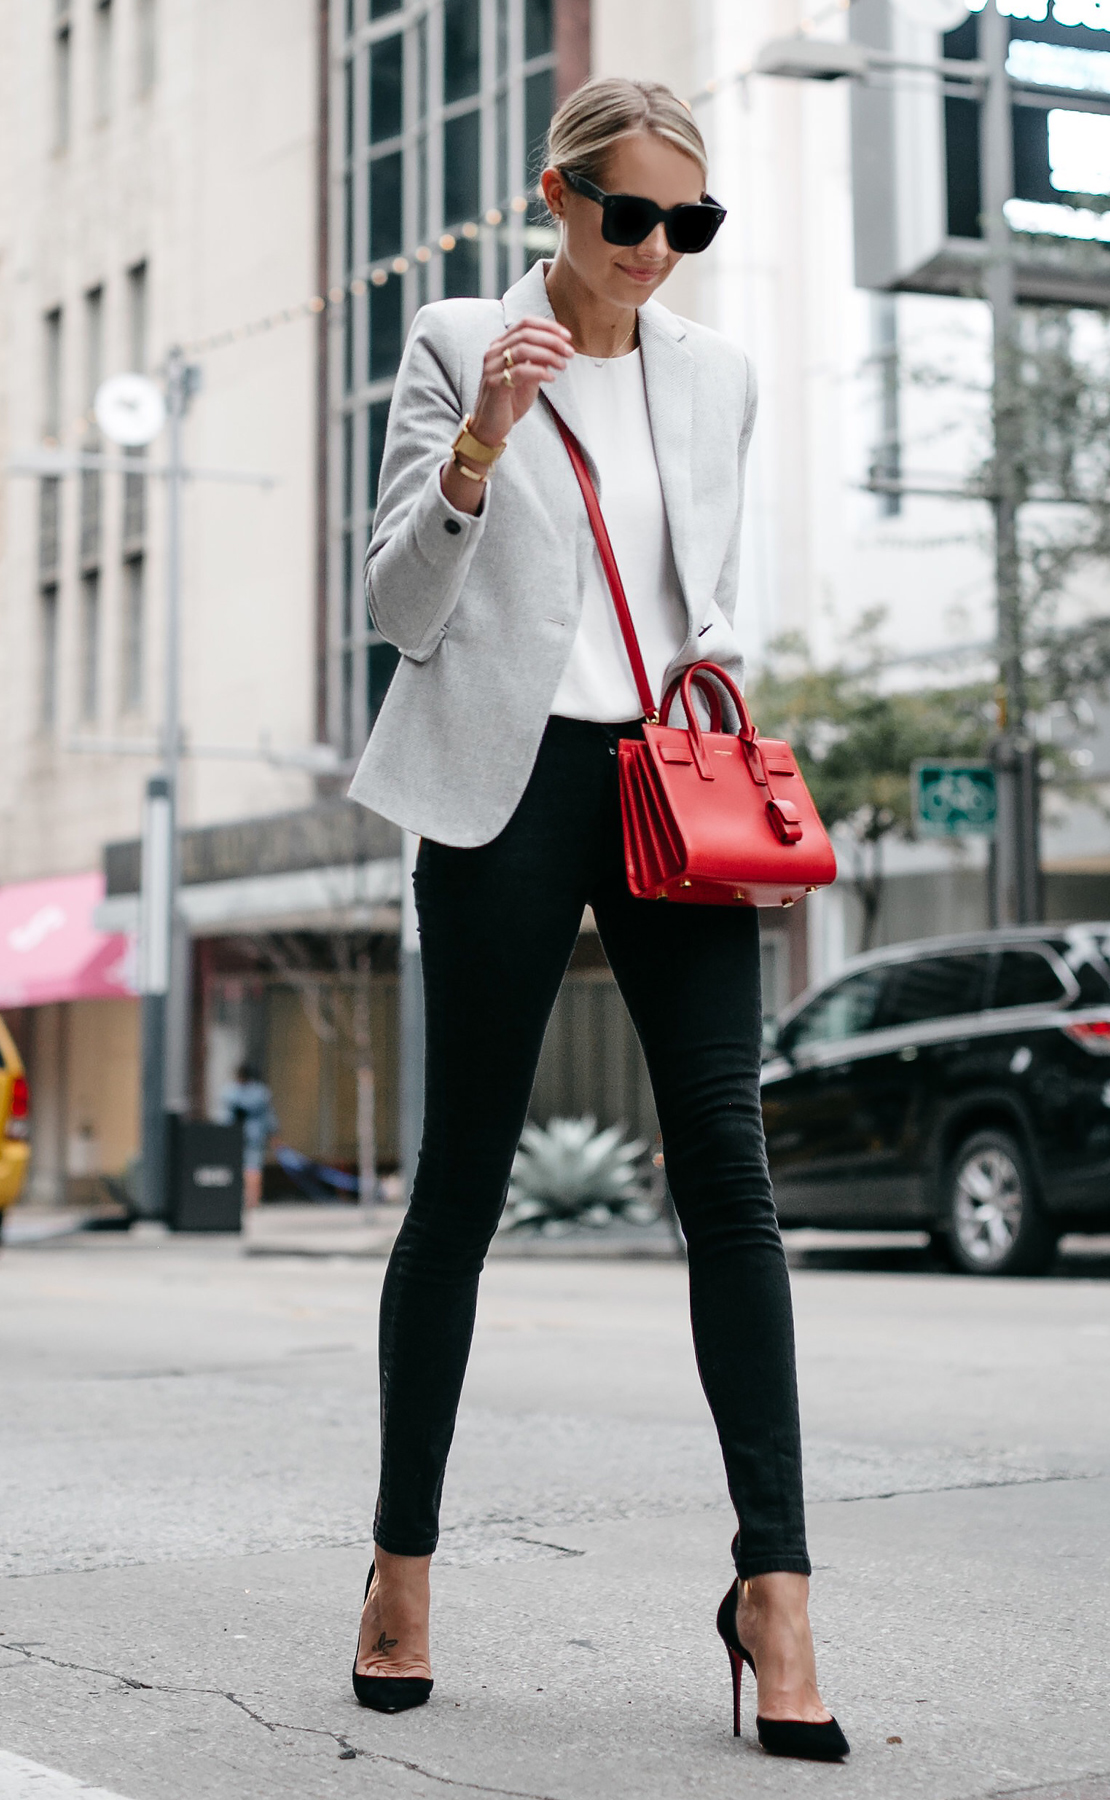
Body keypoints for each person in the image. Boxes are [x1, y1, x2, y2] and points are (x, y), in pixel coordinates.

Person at [346, 76, 848, 1762]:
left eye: (686, 226)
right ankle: (401, 1567)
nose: (656, 251)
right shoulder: (453, 341)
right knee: (463, 1183)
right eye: (627, 215)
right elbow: (399, 607)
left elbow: (702, 589)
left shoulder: (720, 379)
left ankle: (774, 1587)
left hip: (667, 787)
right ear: (555, 199)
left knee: (727, 1165)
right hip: (501, 784)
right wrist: (482, 439)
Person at [216, 1062, 278, 1211]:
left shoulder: (230, 1091)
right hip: (255, 1133)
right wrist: (274, 1134)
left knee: (239, 1167)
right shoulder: (260, 1092)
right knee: (253, 1167)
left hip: (234, 1134)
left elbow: (225, 1115)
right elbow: (268, 1116)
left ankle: (241, 1198)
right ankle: (253, 1199)